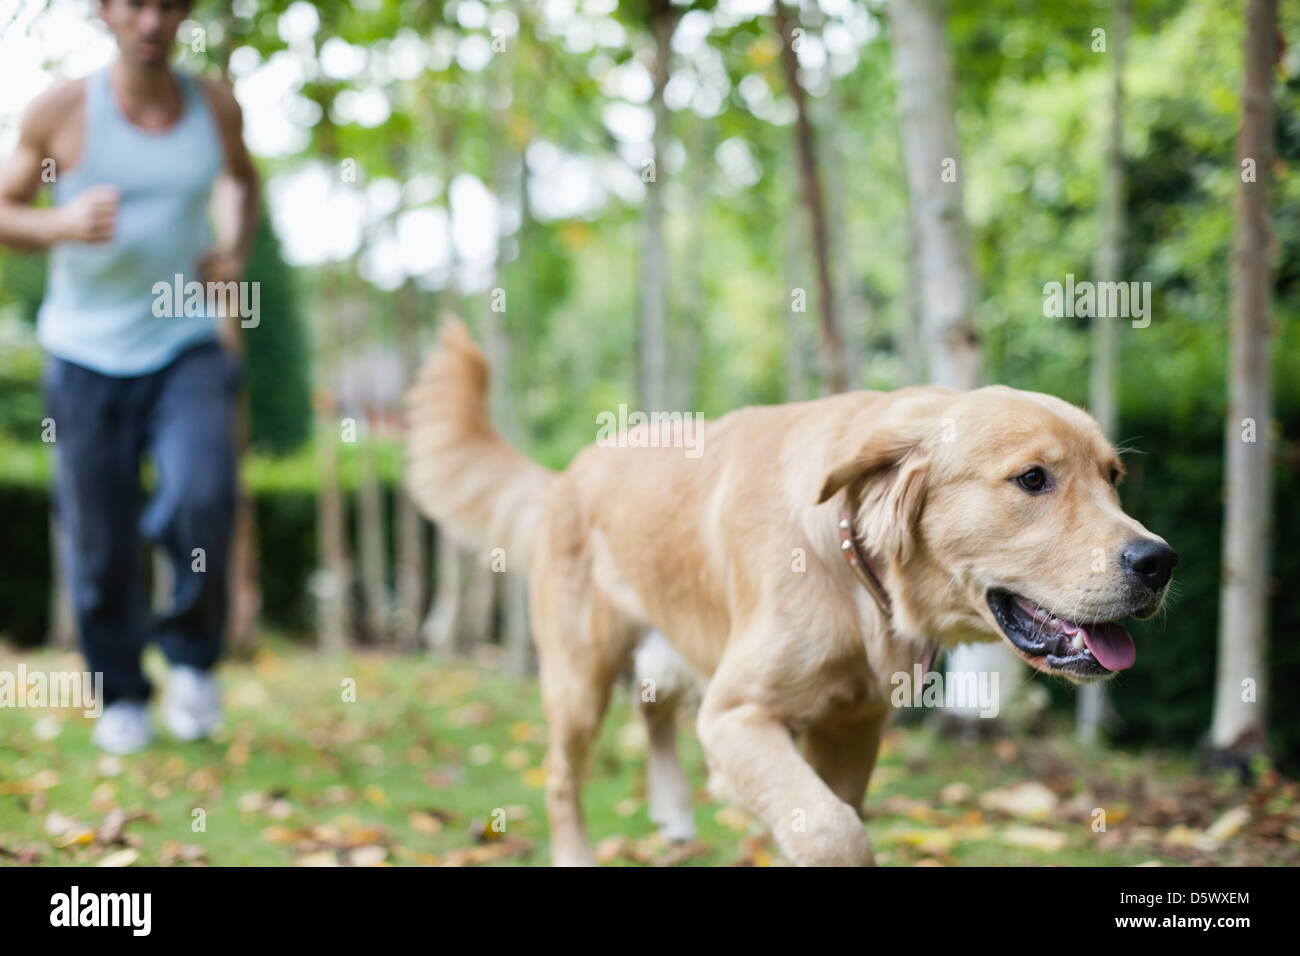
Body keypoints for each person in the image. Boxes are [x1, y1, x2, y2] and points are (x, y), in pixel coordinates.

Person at [0, 0, 260, 753]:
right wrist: (59, 225)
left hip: (186, 343)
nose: (151, 20)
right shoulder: (63, 113)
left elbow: (243, 181)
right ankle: (121, 694)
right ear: (106, 12)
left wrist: (234, 250)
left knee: (203, 494)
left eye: (167, 4)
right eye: (134, 3)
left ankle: (192, 660)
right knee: (100, 537)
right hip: (83, 354)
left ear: (183, 15)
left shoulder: (213, 107)